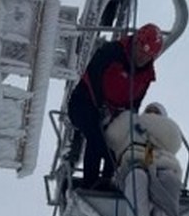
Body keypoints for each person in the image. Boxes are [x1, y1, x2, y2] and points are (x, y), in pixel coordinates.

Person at [66, 23, 164, 189]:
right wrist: (101, 106)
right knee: (96, 135)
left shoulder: (146, 77)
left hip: (113, 113)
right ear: (135, 43)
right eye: (141, 51)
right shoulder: (111, 52)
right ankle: (92, 182)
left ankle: (109, 179)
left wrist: (131, 125)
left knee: (116, 140)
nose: (142, 57)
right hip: (84, 103)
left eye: (148, 56)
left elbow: (135, 103)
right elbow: (93, 77)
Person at [105, 101, 183, 216]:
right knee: (137, 176)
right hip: (135, 160)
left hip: (159, 162)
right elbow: (112, 137)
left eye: (156, 112)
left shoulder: (157, 129)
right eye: (150, 111)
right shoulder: (131, 122)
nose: (152, 114)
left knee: (167, 180)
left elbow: (173, 141)